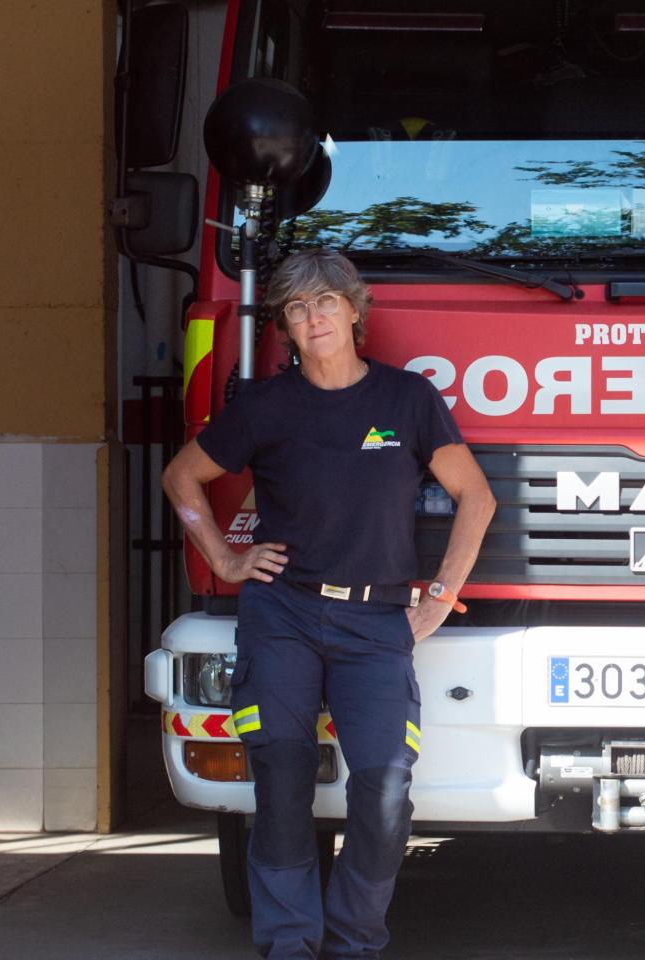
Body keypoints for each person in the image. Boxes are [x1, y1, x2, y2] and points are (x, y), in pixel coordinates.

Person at [162, 248, 495, 959]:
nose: (312, 317)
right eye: (296, 308)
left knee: (382, 788)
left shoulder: (406, 399)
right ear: (284, 325)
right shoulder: (265, 406)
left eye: (324, 303)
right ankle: (289, 942)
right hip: (283, 614)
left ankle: (353, 941)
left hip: (377, 622)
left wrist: (439, 597)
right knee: (281, 779)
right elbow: (183, 477)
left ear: (354, 311)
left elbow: (477, 496)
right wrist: (225, 557)